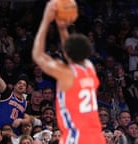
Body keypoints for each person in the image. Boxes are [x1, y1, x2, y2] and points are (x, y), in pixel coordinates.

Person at [32, 1, 105, 143]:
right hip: (96, 136)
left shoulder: (66, 74)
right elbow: (71, 51)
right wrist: (62, 27)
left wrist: (46, 19)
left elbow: (38, 55)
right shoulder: (90, 68)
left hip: (76, 137)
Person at [0, 55, 31, 135]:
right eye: (19, 83)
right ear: (14, 86)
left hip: (13, 134)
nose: (21, 85)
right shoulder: (7, 93)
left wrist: (21, 120)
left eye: (24, 85)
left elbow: (28, 119)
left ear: (25, 90)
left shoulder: (25, 103)